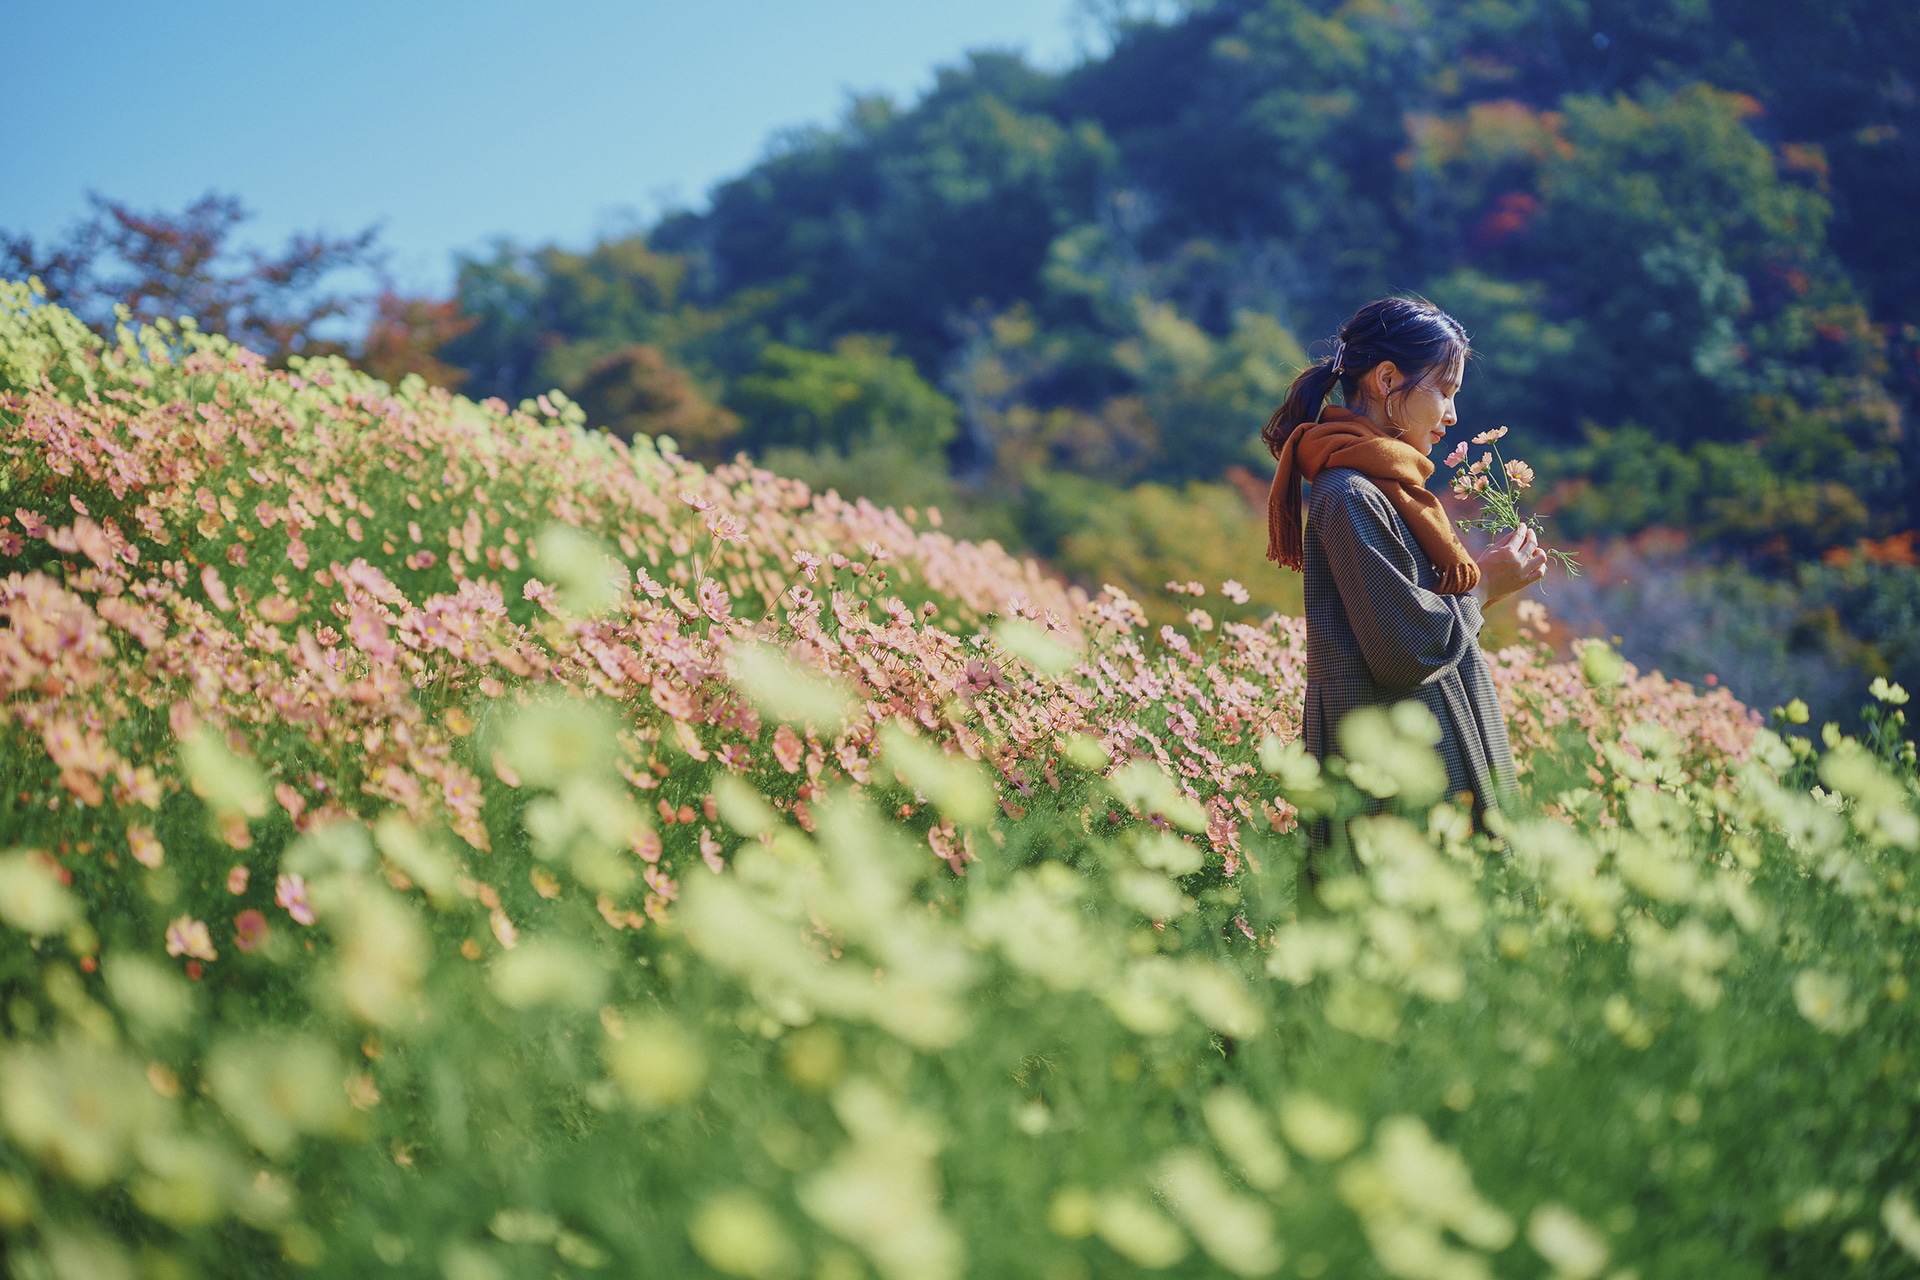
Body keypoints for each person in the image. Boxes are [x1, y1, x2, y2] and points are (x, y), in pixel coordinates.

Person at [1263, 297, 1546, 849]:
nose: (1453, 415)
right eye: (1444, 390)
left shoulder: (1394, 489)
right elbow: (1407, 650)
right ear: (1388, 379)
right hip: (1387, 785)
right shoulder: (1350, 494)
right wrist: (1484, 583)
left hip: (1414, 762)